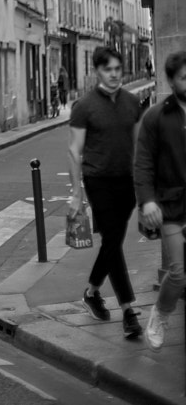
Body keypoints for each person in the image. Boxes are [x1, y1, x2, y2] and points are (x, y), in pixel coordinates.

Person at [68, 45, 144, 339]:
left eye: (117, 69)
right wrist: (77, 192)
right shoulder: (83, 106)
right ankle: (128, 310)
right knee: (113, 240)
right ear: (97, 71)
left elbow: (139, 147)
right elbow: (75, 151)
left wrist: (144, 184)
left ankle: (91, 292)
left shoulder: (132, 102)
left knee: (112, 243)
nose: (114, 74)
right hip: (98, 182)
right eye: (107, 69)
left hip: (127, 183)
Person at [134, 50, 186, 350]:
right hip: (173, 206)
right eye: (184, 78)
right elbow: (142, 164)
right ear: (171, 80)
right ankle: (161, 313)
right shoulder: (156, 117)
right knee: (178, 274)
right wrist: (147, 202)